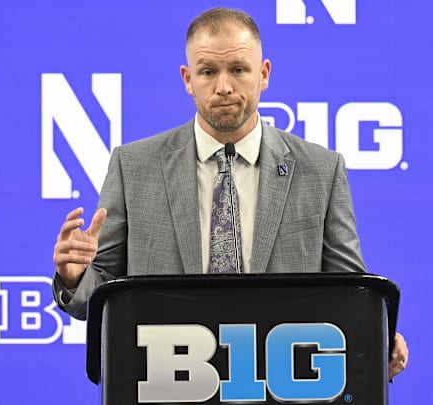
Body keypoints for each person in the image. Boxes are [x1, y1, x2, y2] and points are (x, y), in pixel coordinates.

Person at [52, 7, 408, 380]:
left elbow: (348, 291)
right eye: (208, 72)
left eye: (238, 69)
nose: (223, 86)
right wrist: (75, 277)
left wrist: (376, 336)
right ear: (188, 79)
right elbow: (106, 291)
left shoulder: (321, 169)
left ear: (264, 74)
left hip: (284, 384)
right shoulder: (134, 166)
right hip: (168, 381)